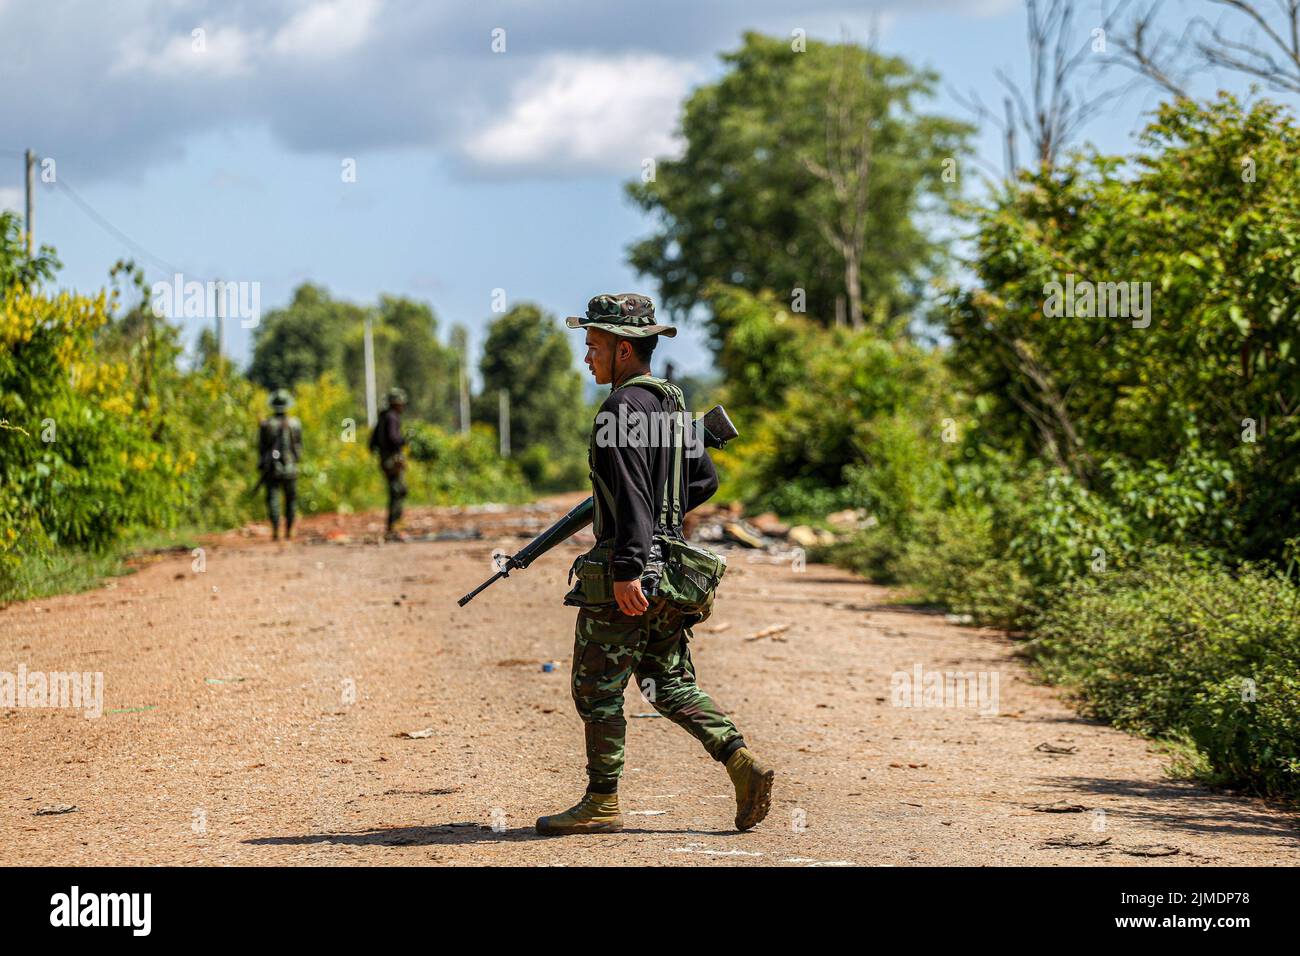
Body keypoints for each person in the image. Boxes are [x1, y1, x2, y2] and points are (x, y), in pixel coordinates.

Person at [535, 292, 774, 836]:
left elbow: (633, 498)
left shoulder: (619, 411)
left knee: (596, 687)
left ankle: (601, 801)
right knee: (666, 679)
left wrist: (628, 569)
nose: (587, 357)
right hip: (673, 571)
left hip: (636, 571)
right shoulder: (669, 403)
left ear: (623, 350)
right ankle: (740, 761)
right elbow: (705, 480)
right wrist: (664, 523)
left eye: (593, 346)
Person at [257, 389, 303, 541]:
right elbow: (299, 448)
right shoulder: (295, 424)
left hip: (272, 469)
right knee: (291, 500)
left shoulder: (266, 425)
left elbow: (262, 449)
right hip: (291, 468)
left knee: (273, 500)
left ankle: (276, 530)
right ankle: (289, 531)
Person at [369, 387, 408, 541]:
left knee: (397, 491)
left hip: (386, 460)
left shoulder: (383, 417)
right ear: (396, 403)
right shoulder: (392, 417)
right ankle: (393, 527)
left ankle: (393, 526)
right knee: (398, 491)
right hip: (392, 460)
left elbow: (372, 443)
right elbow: (393, 438)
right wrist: (404, 440)